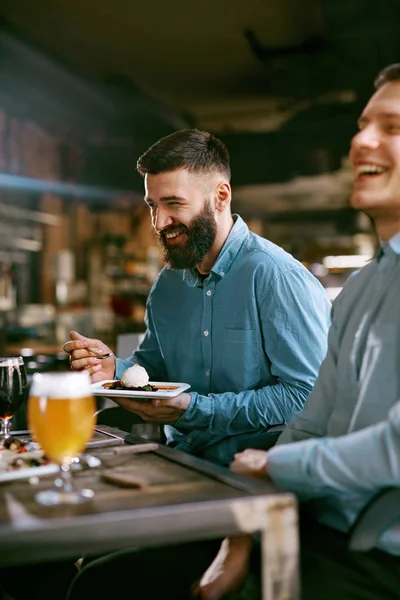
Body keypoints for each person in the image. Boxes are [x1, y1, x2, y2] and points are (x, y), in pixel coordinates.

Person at [190, 62, 400, 600]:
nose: (361, 142)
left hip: (380, 556)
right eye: (362, 125)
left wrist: (276, 465)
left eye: (392, 128)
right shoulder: (362, 286)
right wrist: (241, 537)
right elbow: (311, 421)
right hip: (316, 529)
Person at [64, 128, 331, 468]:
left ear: (221, 196)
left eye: (174, 203)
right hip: (182, 463)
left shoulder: (276, 277)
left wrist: (194, 408)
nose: (160, 222)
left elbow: (307, 397)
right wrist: (114, 368)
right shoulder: (168, 284)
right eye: (152, 206)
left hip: (259, 476)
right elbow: (154, 369)